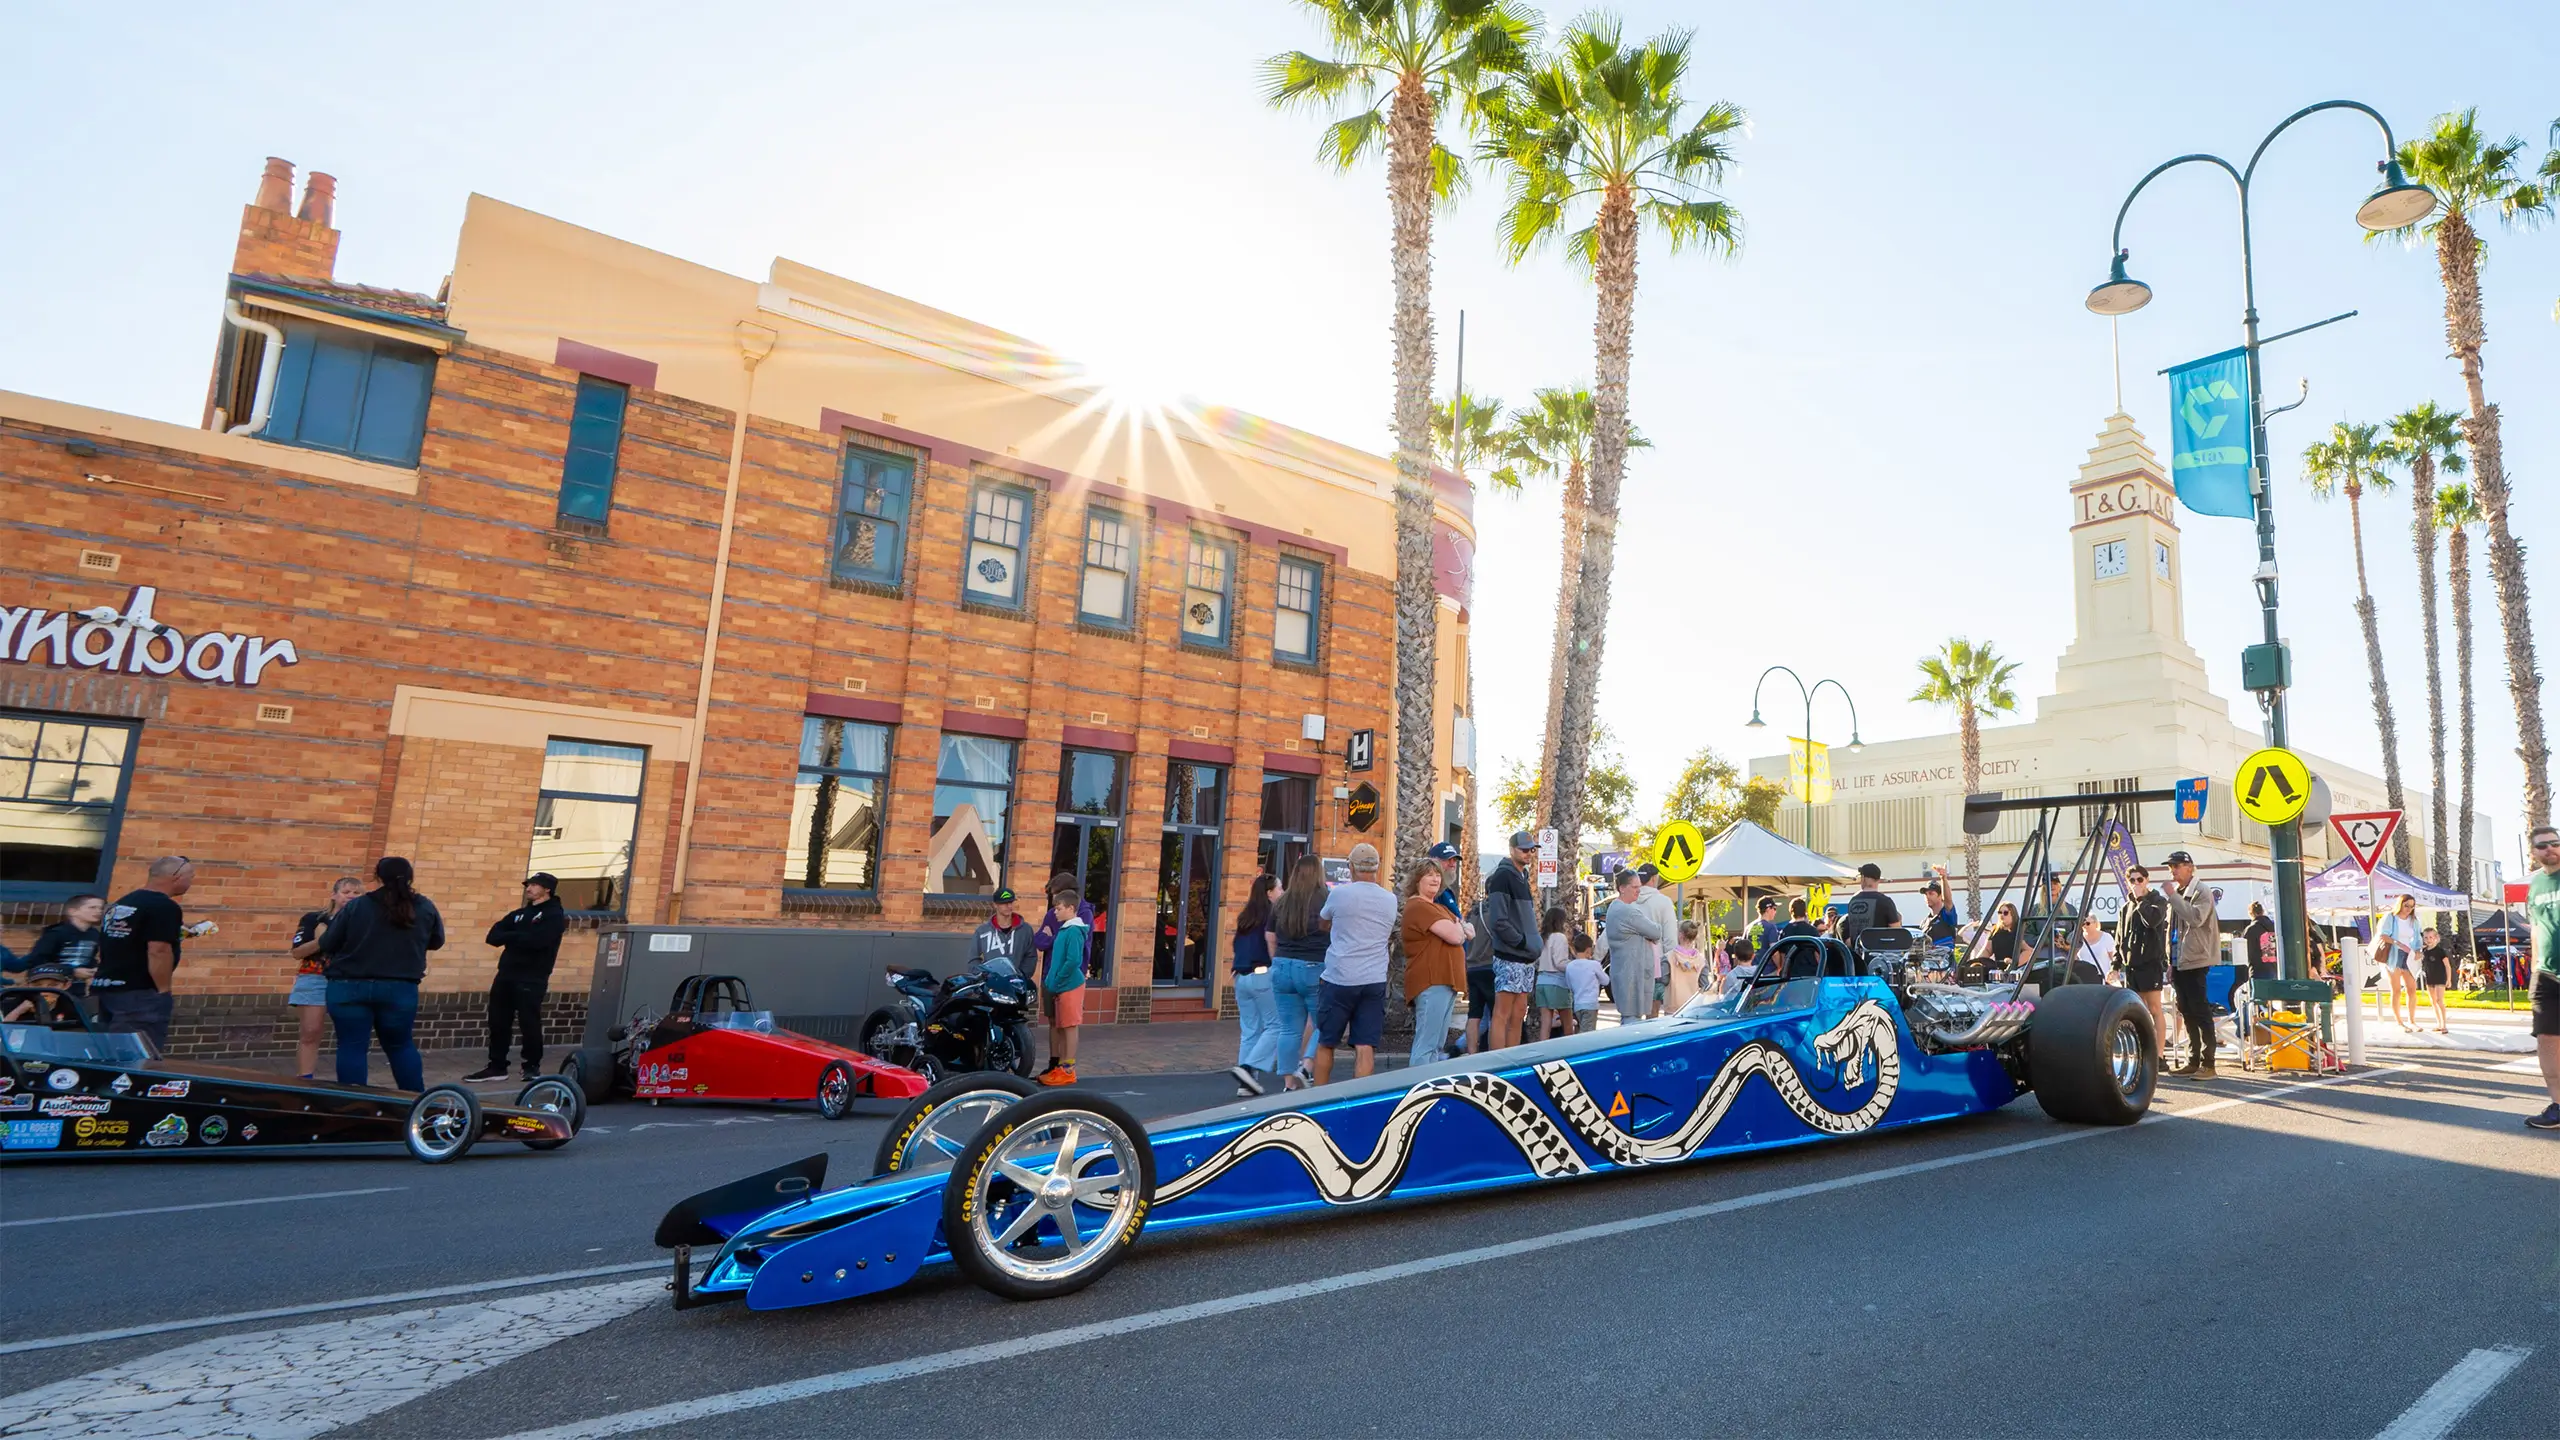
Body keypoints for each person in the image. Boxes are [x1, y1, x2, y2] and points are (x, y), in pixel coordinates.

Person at [317, 857, 445, 1090]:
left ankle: (355, 1107)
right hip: (399, 987)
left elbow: (328, 941)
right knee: (401, 1045)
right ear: (410, 877)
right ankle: (414, 1102)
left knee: (351, 1046)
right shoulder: (424, 906)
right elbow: (437, 941)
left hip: (349, 985)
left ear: (378, 877)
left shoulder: (358, 906)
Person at [462, 873, 569, 1083]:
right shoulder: (519, 914)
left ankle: (531, 1066)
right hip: (506, 975)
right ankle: (497, 1066)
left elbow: (538, 941)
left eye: (534, 885)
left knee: (529, 1021)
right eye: (528, 884)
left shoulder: (554, 915)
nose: (529, 888)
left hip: (532, 977)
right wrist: (519, 936)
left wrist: (512, 937)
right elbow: (493, 936)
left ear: (547, 889)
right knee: (498, 1021)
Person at [89, 856, 198, 1050]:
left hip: (107, 988)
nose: (191, 882)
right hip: (138, 994)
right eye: (190, 877)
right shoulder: (164, 906)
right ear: (176, 877)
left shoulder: (122, 903)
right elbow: (159, 950)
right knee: (136, 1054)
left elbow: (122, 941)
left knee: (107, 1052)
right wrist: (163, 990)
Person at [1312, 842, 1396, 1083]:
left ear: (1351, 867)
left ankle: (1318, 1100)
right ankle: (1359, 1099)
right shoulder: (1389, 899)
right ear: (1377, 869)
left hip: (1339, 977)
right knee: (1365, 1044)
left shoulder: (1339, 894)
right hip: (1374, 979)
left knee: (1327, 1042)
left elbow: (1323, 923)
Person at [286, 878, 362, 1079]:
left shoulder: (363, 923)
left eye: (357, 893)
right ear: (334, 895)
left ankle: (348, 1083)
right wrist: (322, 940)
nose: (352, 897)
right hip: (315, 977)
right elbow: (297, 952)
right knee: (311, 1031)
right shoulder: (314, 919)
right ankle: (305, 1079)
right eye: (347, 892)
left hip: (347, 979)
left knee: (350, 1036)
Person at [1473, 831, 1540, 1052]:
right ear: (1512, 850)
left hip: (1525, 956)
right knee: (1502, 1012)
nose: (1529, 853)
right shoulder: (1503, 876)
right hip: (1510, 954)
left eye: (1531, 849)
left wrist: (1528, 945)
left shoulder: (1521, 875)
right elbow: (1499, 920)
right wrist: (1521, 942)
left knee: (1519, 1012)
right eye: (1524, 849)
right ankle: (1498, 1064)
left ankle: (1513, 1060)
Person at [1401, 859, 1470, 1067]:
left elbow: (1469, 929)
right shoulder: (1418, 907)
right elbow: (1457, 935)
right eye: (1429, 874)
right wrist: (1458, 928)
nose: (1435, 878)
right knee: (1427, 1044)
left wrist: (1459, 927)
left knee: (1437, 1045)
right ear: (1416, 880)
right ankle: (1417, 1090)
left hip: (1445, 982)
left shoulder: (1437, 907)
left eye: (1437, 875)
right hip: (1431, 981)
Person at [1270, 855, 1330, 1090]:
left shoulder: (1282, 902)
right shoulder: (1325, 899)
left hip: (1282, 966)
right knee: (1323, 1023)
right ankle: (1306, 1066)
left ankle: (1288, 1083)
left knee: (1288, 1028)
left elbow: (1271, 936)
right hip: (1314, 966)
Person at [2162, 850, 2221, 1078]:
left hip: (2197, 959)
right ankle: (2193, 1060)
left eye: (2177, 866)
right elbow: (2172, 931)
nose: (2173, 871)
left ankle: (2209, 1063)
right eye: (2171, 866)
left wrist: (2173, 897)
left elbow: (2196, 918)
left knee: (2200, 1009)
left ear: (2190, 867)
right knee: (2185, 1010)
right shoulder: (2178, 892)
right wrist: (2170, 962)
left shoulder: (2201, 891)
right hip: (2180, 960)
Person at [1225, 875, 1281, 1095]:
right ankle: (1247, 1068)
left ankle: (1245, 1084)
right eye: (1279, 888)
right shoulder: (1272, 915)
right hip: (1262, 974)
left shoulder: (1245, 917)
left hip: (1241, 976)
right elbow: (1273, 944)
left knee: (1250, 1030)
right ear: (1269, 892)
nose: (1282, 892)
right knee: (1276, 1026)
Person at [1037, 877, 1091, 1087]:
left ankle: (1067, 1068)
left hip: (1068, 984)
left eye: (1058, 907)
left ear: (1070, 907)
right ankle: (1058, 1066)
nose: (1054, 912)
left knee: (1069, 1024)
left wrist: (1058, 980)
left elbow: (1073, 960)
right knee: (1060, 1023)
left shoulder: (1075, 929)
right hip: (1058, 983)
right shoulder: (1066, 927)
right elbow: (1040, 940)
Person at [2522, 824, 2559, 1131]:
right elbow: (2537, 928)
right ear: (2533, 852)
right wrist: (2535, 966)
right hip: (2545, 975)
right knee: (2547, 1041)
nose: (2550, 849)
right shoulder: (2535, 886)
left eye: (2555, 843)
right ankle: (2558, 1106)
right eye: (2543, 846)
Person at [2118, 865, 2172, 1046]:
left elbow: (2152, 921)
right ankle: (2140, 1051)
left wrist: (2141, 899)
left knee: (2155, 1008)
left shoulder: (2158, 901)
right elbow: (2121, 937)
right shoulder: (2126, 908)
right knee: (2136, 1010)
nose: (2136, 883)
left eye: (2139, 879)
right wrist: (2116, 964)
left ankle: (2159, 1054)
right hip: (2132, 965)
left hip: (2151, 963)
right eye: (2132, 880)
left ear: (2147, 880)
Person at [1603, 869, 1662, 1025]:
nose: (1639, 890)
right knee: (1631, 1024)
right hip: (1631, 978)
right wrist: (1647, 935)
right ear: (1622, 888)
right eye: (1634, 887)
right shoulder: (1627, 911)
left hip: (1627, 975)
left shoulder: (1615, 908)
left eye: (1639, 886)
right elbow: (1656, 931)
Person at [21, 892, 106, 988]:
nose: (98, 911)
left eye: (101, 908)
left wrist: (93, 969)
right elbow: (38, 959)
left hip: (78, 985)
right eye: (92, 908)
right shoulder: (56, 933)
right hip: (52, 985)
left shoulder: (94, 934)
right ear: (73, 911)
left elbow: (89, 958)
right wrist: (71, 971)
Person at [2375, 894, 2422, 1033]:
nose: (2408, 909)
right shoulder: (2390, 917)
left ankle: (2412, 1021)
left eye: (2412, 906)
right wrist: (2398, 943)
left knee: (2412, 989)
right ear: (2400, 904)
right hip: (2394, 956)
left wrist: (2418, 950)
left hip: (2409, 956)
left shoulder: (2414, 920)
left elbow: (2418, 938)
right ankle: (2399, 1022)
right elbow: (2383, 935)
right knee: (2396, 990)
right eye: (2406, 905)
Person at [1532, 905, 1574, 1040]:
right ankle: (1571, 1050)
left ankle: (1543, 1049)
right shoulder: (1560, 937)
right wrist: (1575, 965)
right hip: (1557, 983)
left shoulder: (1542, 938)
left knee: (1546, 1022)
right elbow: (1560, 962)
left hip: (1541, 982)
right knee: (1567, 1021)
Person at [1564, 930, 1603, 1034]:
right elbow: (1606, 980)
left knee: (1579, 1030)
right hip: (1591, 1004)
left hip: (1577, 1004)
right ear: (1589, 950)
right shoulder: (1594, 965)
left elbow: (1568, 984)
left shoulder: (1570, 966)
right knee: (1587, 1035)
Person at [1665, 920, 1706, 1012]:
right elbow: (1704, 985)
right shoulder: (1701, 960)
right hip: (1692, 1006)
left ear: (1680, 935)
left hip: (1673, 1006)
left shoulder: (1669, 957)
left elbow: (1663, 980)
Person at [2418, 925, 2451, 1036]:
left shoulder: (2440, 951)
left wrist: (2449, 979)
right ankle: (2438, 1024)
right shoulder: (2424, 951)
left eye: (2431, 937)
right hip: (2430, 978)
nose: (2428, 940)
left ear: (2436, 938)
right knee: (2433, 1001)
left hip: (2440, 978)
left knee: (2439, 1000)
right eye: (2426, 937)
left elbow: (2447, 966)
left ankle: (2444, 1024)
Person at [2072, 914, 2117, 985]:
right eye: (2082, 924)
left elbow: (2114, 957)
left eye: (2087, 923)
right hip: (2084, 980)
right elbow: (2075, 958)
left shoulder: (2106, 937)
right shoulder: (2078, 939)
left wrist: (2114, 973)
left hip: (2103, 979)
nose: (2084, 926)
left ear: (2095, 923)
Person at [2243, 901, 2277, 981]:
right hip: (2274, 968)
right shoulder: (2274, 927)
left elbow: (2246, 951)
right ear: (2262, 911)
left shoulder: (2251, 929)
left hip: (2257, 970)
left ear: (2251, 913)